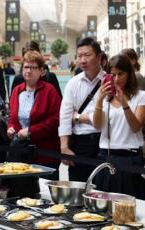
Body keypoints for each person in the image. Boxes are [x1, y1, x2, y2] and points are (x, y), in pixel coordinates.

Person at [93, 54, 145, 199]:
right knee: (104, 207)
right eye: (112, 75)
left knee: (130, 206)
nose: (116, 79)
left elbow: (136, 127)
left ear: (129, 74)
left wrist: (124, 104)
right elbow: (97, 126)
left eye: (120, 74)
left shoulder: (140, 96)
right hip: (106, 155)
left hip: (130, 156)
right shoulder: (104, 98)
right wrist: (99, 101)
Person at [7, 51, 61, 179]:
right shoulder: (16, 90)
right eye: (26, 67)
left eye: (33, 67)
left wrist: (31, 131)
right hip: (20, 152)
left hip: (44, 153)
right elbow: (12, 116)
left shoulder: (49, 91)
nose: (28, 71)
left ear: (42, 71)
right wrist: (10, 127)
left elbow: (55, 120)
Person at [59, 37, 104, 182]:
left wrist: (79, 117)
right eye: (79, 56)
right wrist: (64, 147)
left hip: (104, 142)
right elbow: (65, 116)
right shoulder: (73, 83)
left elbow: (107, 116)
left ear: (99, 57)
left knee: (103, 191)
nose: (83, 60)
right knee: (79, 190)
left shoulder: (109, 81)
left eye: (87, 55)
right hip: (80, 144)